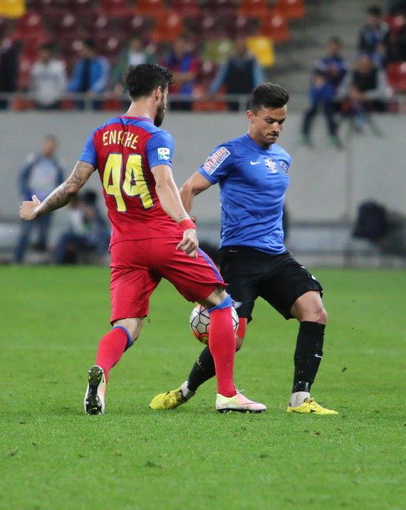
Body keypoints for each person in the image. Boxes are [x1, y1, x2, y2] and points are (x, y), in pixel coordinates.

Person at [19, 63, 264, 415]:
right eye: (166, 96)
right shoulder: (156, 137)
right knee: (222, 302)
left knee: (127, 325)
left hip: (123, 246)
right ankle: (226, 393)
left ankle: (100, 376)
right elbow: (164, 184)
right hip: (163, 238)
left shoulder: (100, 133)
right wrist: (185, 223)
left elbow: (73, 186)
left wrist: (40, 208)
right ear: (158, 93)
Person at [149, 83, 338, 416]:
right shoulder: (230, 152)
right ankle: (186, 389)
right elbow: (189, 186)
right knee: (232, 339)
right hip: (240, 258)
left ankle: (299, 399)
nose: (276, 128)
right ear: (250, 116)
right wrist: (185, 228)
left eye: (281, 121)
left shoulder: (283, 158)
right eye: (269, 120)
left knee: (315, 312)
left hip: (277, 256)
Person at [14, 135, 65, 264]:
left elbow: (60, 184)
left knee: (43, 233)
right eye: (47, 145)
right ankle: (18, 260)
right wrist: (26, 195)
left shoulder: (57, 163)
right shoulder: (34, 160)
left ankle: (40, 260)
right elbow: (23, 178)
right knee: (26, 231)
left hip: (47, 203)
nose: (49, 148)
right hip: (32, 202)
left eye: (52, 146)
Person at [300, 36, 347, 148]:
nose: (333, 50)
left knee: (328, 110)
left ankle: (332, 134)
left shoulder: (343, 63)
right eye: (331, 47)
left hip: (335, 93)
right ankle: (304, 134)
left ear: (339, 48)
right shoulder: (322, 62)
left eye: (335, 48)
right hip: (323, 92)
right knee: (313, 109)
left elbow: (343, 78)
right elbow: (316, 77)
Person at [337, 53, 388, 134]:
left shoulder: (378, 73)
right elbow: (341, 90)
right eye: (361, 64)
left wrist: (365, 95)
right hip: (355, 102)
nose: (363, 67)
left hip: (374, 103)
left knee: (360, 105)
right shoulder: (353, 73)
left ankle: (360, 122)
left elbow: (382, 91)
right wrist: (350, 93)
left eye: (366, 65)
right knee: (352, 105)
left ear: (370, 64)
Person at [209, 37, 264, 111]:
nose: (240, 49)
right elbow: (220, 77)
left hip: (247, 96)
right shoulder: (230, 61)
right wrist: (213, 90)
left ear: (245, 48)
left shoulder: (252, 61)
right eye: (238, 47)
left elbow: (258, 78)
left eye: (242, 47)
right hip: (232, 95)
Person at [67, 39, 109, 110]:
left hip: (95, 98)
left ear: (89, 49)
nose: (81, 52)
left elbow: (103, 79)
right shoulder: (80, 64)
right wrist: (69, 89)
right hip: (80, 97)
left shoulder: (101, 62)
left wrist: (94, 90)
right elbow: (76, 79)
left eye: (83, 49)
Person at [29, 43, 67, 110]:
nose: (44, 55)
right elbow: (33, 84)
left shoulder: (58, 67)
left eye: (46, 53)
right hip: (39, 102)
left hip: (54, 102)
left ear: (50, 54)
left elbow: (62, 84)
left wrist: (58, 97)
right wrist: (35, 97)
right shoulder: (36, 68)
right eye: (42, 53)